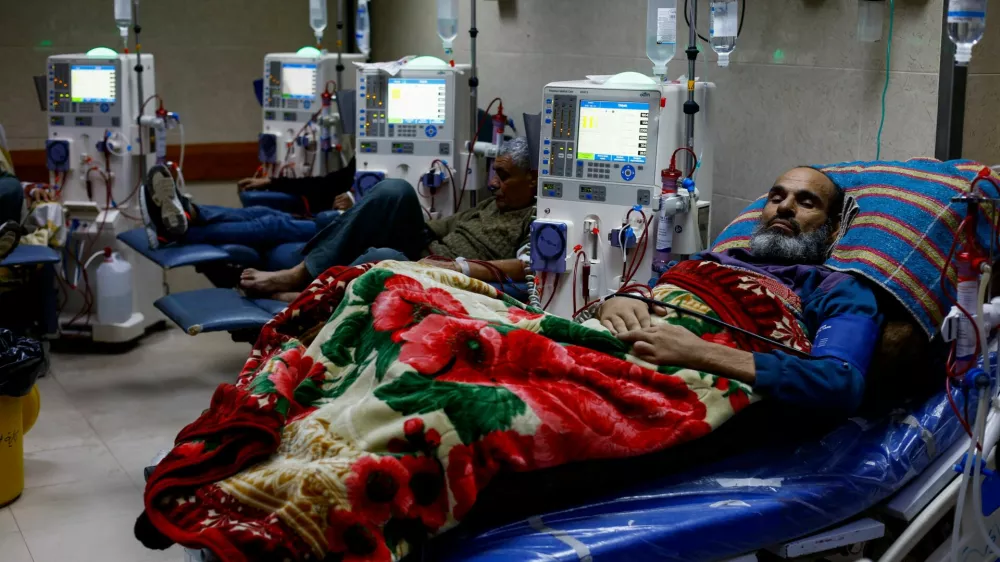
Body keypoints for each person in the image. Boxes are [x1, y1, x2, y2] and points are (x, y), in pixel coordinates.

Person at [600, 167, 882, 414]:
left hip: (660, 388)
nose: (784, 207)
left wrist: (701, 353)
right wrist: (620, 300)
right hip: (603, 345)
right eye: (776, 198)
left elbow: (839, 382)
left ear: (833, 230)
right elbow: (649, 293)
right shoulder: (708, 261)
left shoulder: (836, 289)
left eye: (806, 202)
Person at [239, 137, 537, 297]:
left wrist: (459, 267)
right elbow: (441, 227)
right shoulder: (492, 204)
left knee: (383, 256)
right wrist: (379, 216)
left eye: (504, 176)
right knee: (395, 190)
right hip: (425, 252)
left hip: (444, 272)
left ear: (533, 180)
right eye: (494, 173)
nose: (493, 183)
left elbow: (527, 266)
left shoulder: (535, 219)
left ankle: (310, 296)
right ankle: (303, 273)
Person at [139, 158, 357, 249]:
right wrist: (272, 181)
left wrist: (357, 201)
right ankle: (191, 213)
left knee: (273, 224)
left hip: (348, 228)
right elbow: (330, 182)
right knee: (259, 211)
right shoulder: (368, 156)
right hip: (328, 217)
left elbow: (389, 204)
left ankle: (176, 233)